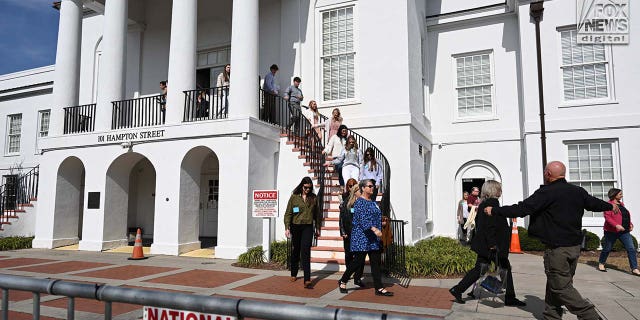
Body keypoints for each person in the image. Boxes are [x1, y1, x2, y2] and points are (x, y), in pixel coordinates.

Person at [485, 161, 618, 320]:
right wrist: (610, 207)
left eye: (544, 172)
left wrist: (495, 210)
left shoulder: (547, 192)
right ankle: (551, 315)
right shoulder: (577, 191)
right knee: (555, 283)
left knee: (561, 287)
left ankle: (590, 316)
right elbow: (594, 203)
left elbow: (522, 209)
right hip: (574, 248)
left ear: (548, 174)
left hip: (557, 250)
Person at [449, 180, 526, 306]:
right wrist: (492, 244)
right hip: (493, 246)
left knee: (480, 269)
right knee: (505, 268)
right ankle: (510, 297)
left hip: (486, 245)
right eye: (499, 189)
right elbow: (490, 227)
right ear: (493, 191)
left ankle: (458, 289)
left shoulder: (484, 204)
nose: (500, 191)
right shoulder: (492, 204)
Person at [338, 179, 393, 297]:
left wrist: (381, 223)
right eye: (369, 186)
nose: (372, 188)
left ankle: (379, 288)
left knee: (376, 264)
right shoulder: (359, 203)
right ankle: (343, 280)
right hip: (362, 237)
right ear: (363, 188)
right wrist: (375, 229)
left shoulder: (373, 202)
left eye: (373, 186)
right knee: (357, 262)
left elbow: (374, 216)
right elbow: (363, 221)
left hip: (373, 239)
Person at [284, 177, 321, 289]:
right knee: (296, 250)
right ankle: (294, 273)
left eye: (309, 188)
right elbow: (288, 213)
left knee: (305, 251)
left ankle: (307, 279)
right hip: (295, 226)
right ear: (302, 186)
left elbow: (317, 214)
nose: (307, 190)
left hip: (308, 227)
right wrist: (287, 227)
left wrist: (318, 228)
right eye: (305, 187)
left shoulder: (313, 198)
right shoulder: (294, 197)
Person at [598, 188, 639, 275]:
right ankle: (601, 263)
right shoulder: (608, 205)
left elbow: (625, 215)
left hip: (624, 231)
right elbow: (608, 218)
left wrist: (630, 224)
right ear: (614, 195)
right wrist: (616, 225)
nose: (622, 195)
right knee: (607, 248)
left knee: (631, 248)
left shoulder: (621, 204)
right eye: (620, 194)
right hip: (611, 231)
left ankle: (634, 268)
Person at [339, 179, 365, 288]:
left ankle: (357, 278)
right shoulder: (346, 202)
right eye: (350, 186)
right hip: (349, 234)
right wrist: (343, 231)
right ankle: (347, 275)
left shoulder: (362, 202)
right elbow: (341, 218)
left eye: (353, 185)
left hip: (359, 234)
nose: (351, 187)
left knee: (360, 258)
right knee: (349, 255)